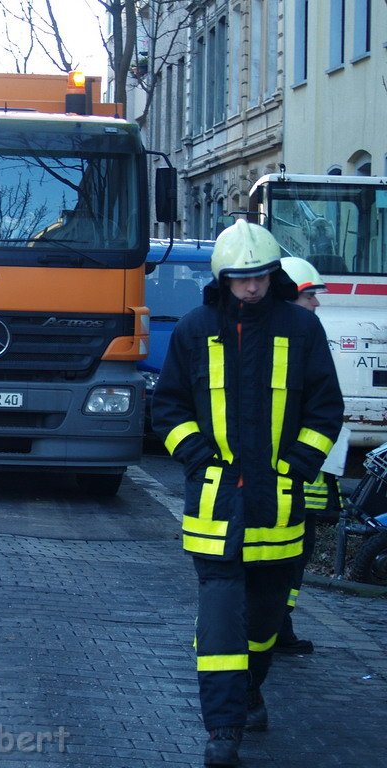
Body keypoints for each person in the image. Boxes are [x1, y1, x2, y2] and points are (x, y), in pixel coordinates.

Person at [152, 221, 343, 767]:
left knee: (261, 626)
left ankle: (251, 689)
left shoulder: (302, 332)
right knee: (219, 624)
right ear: (223, 279)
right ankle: (223, 729)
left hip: (279, 509)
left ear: (272, 275)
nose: (252, 288)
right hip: (215, 510)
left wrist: (299, 465)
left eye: (259, 277)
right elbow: (168, 408)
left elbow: (325, 409)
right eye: (241, 279)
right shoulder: (194, 331)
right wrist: (195, 455)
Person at [274, 257, 346, 655]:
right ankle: (274, 624)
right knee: (281, 559)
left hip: (306, 478)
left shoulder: (307, 334)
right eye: (309, 296)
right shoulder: (291, 338)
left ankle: (280, 623)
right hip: (289, 480)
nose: (316, 305)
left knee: (297, 556)